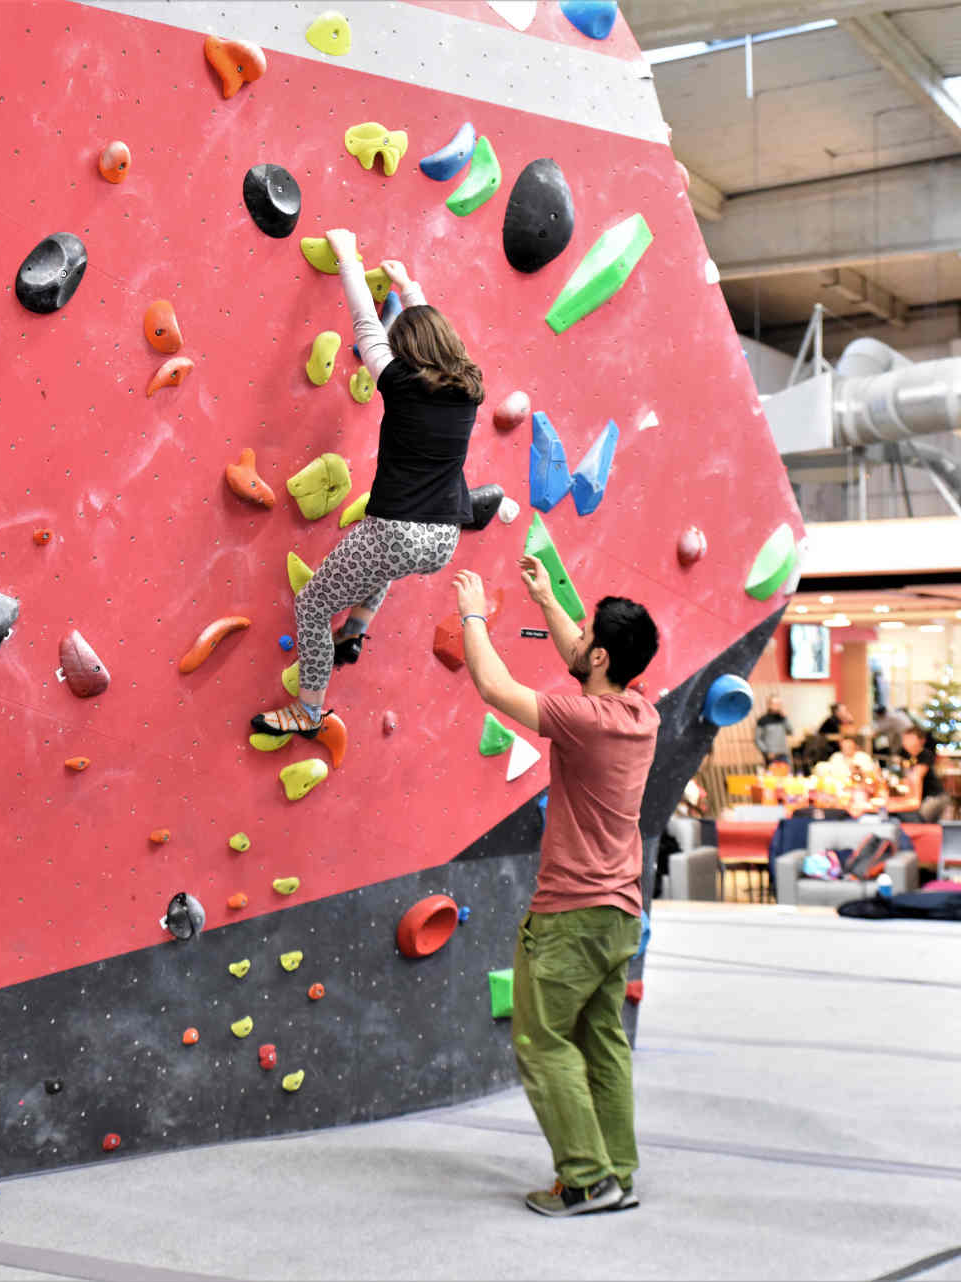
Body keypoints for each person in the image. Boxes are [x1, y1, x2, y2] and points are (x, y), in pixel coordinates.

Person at [451, 557, 659, 1217]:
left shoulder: (581, 719)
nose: (577, 644)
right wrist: (546, 599)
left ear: (600, 656)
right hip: (619, 913)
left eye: (587, 639)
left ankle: (586, 1179)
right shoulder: (638, 711)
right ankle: (617, 1172)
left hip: (569, 915)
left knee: (542, 1042)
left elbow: (493, 686)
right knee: (601, 1040)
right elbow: (581, 650)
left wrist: (473, 615)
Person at [253, 230, 482, 740]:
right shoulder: (470, 385)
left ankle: (308, 710)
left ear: (406, 352)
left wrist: (347, 258)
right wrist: (411, 289)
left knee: (312, 603)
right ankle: (354, 632)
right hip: (443, 538)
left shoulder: (398, 382)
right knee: (380, 562)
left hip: (397, 531)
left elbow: (364, 323)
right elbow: (446, 338)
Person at [896, 725, 950, 822]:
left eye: (911, 739)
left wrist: (913, 801)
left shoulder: (925, 755)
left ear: (921, 741)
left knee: (917, 819)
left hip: (934, 797)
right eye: (905, 739)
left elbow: (916, 777)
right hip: (923, 797)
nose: (906, 742)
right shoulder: (908, 757)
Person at [753, 695, 793, 766]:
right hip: (771, 755)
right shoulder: (762, 720)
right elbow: (757, 739)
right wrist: (766, 752)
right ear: (769, 705)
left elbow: (790, 731)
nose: (778, 706)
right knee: (772, 776)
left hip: (784, 753)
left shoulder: (782, 718)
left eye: (779, 704)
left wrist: (785, 718)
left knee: (786, 775)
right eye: (775, 704)